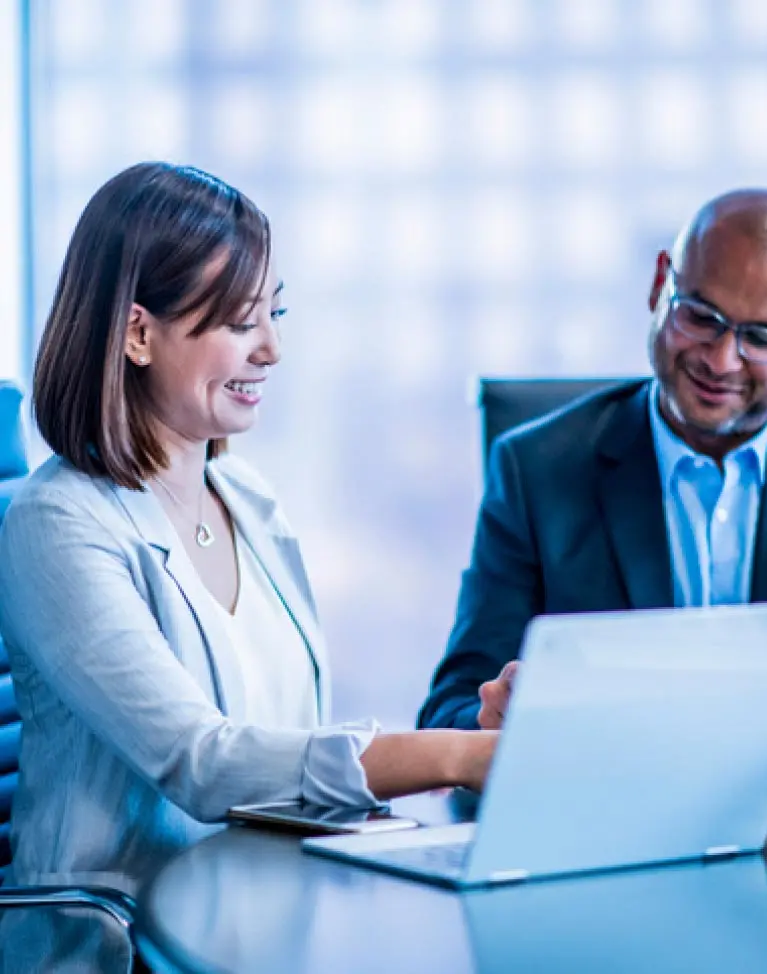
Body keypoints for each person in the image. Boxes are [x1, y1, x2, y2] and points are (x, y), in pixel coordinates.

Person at [0, 162, 497, 891]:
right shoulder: (56, 525)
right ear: (138, 333)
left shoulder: (248, 500)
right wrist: (456, 755)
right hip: (123, 943)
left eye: (276, 314)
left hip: (256, 914)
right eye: (240, 322)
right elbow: (202, 762)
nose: (272, 349)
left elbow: (284, 749)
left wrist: (484, 736)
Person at [417, 188, 767, 790]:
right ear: (659, 286)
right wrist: (492, 715)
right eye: (701, 316)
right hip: (612, 818)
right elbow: (449, 713)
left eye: (765, 339)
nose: (723, 361)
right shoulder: (536, 468)